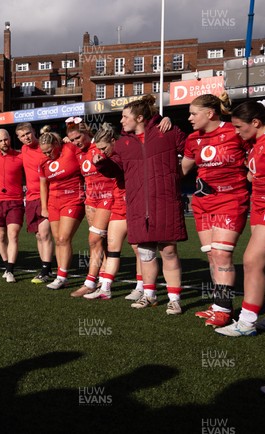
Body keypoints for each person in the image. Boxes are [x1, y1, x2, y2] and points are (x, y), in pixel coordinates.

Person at [95, 95, 187, 315]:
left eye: (125, 116)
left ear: (139, 117)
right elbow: (116, 169)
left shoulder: (168, 132)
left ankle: (174, 300)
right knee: (145, 254)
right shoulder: (123, 144)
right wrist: (103, 164)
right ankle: (149, 295)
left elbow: (192, 149)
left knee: (169, 251)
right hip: (137, 206)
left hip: (165, 202)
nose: (121, 121)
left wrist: (176, 175)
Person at [181, 93, 249, 328]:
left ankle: (226, 309)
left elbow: (257, 153)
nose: (189, 118)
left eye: (193, 113)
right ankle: (219, 306)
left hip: (230, 200)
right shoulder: (192, 139)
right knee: (212, 255)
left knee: (222, 255)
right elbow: (182, 170)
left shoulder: (234, 131)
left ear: (210, 113)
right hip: (202, 203)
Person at [216, 99, 265, 337]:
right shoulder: (255, 142)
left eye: (238, 126)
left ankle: (246, 321)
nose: (235, 132)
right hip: (261, 205)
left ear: (255, 122)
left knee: (252, 261)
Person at [79, 123, 139, 300]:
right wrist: (104, 162)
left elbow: (115, 168)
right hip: (118, 201)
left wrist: (162, 118)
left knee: (139, 249)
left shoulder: (127, 150)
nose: (102, 152)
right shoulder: (110, 155)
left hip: (134, 202)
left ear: (114, 141)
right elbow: (113, 169)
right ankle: (105, 288)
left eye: (104, 148)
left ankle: (143, 288)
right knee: (112, 247)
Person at [69, 119, 115, 296]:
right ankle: (102, 281)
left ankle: (90, 281)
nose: (76, 142)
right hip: (91, 200)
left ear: (88, 133)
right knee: (100, 242)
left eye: (78, 137)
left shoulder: (101, 147)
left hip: (108, 197)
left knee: (95, 240)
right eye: (72, 140)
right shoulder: (78, 153)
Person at [38, 126, 84, 290]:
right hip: (53, 202)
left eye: (49, 150)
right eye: (44, 152)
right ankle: (61, 274)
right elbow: (43, 185)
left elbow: (85, 150)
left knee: (64, 238)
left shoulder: (70, 149)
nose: (47, 154)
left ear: (57, 144)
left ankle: (62, 277)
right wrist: (44, 207)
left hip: (73, 199)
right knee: (58, 240)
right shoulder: (43, 162)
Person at [16, 123, 54, 283]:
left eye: (28, 133)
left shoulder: (46, 146)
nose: (26, 137)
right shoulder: (24, 150)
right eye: (22, 135)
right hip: (31, 198)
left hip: (48, 195)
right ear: (19, 138)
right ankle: (47, 267)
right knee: (39, 235)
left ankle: (45, 271)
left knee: (45, 233)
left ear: (33, 132)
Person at [0, 128, 24, 283]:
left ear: (10, 139)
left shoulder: (20, 156)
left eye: (6, 139)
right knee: (1, 235)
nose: (4, 143)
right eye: (1, 141)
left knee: (13, 235)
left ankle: (10, 270)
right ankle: (6, 266)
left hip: (15, 201)